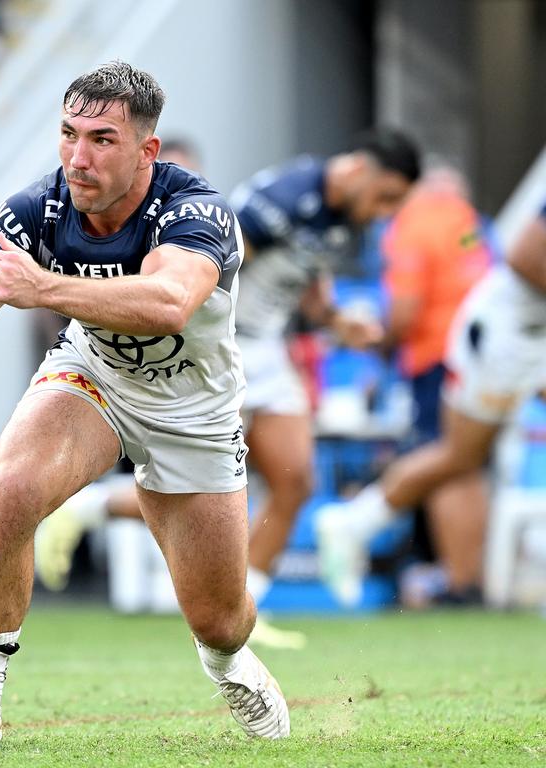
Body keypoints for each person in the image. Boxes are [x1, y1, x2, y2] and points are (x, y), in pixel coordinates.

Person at [0, 61, 290, 746]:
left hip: (195, 408)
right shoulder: (40, 206)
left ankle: (230, 662)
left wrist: (42, 287)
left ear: (146, 151)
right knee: (13, 489)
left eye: (101, 139)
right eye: (69, 134)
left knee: (220, 618)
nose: (77, 156)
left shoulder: (196, 212)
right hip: (94, 376)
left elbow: (167, 303)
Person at [34, 129, 421, 646]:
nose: (384, 211)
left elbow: (306, 280)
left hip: (268, 350)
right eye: (386, 196)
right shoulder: (281, 199)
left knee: (294, 480)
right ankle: (87, 508)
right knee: (199, 483)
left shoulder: (344, 220)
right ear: (358, 170)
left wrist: (335, 320)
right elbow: (216, 268)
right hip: (223, 347)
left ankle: (247, 611)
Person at [317, 202, 546, 607]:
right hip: (489, 344)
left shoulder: (438, 219)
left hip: (489, 339)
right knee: (459, 457)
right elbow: (523, 255)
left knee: (464, 459)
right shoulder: (442, 219)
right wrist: (384, 353)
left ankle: (465, 582)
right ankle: (356, 524)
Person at [377, 166, 493, 606]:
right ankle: (469, 578)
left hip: (437, 358)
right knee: (467, 463)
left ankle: (459, 582)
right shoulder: (467, 221)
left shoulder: (413, 225)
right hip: (480, 354)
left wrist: (382, 343)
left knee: (445, 460)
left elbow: (404, 309)